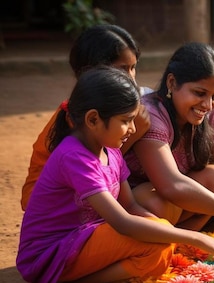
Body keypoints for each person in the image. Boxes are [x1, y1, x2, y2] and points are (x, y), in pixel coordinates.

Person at [16, 67, 214, 283]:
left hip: (86, 239)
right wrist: (191, 236)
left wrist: (165, 230)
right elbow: (123, 222)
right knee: (157, 240)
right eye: (126, 121)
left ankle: (95, 277)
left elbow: (131, 206)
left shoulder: (111, 150)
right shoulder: (74, 156)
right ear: (93, 119)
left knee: (161, 244)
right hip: (49, 254)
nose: (132, 129)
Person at [123, 42, 214, 234]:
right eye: (199, 93)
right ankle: (176, 238)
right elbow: (171, 186)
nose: (208, 104)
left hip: (179, 203)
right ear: (172, 83)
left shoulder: (211, 112)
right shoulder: (151, 114)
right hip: (137, 207)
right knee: (155, 202)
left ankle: (188, 236)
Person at [20, 24, 151, 211]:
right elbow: (98, 165)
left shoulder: (121, 108)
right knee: (150, 202)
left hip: (96, 192)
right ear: (91, 71)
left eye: (133, 68)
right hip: (60, 209)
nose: (131, 79)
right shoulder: (79, 117)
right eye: (122, 69)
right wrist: (136, 135)